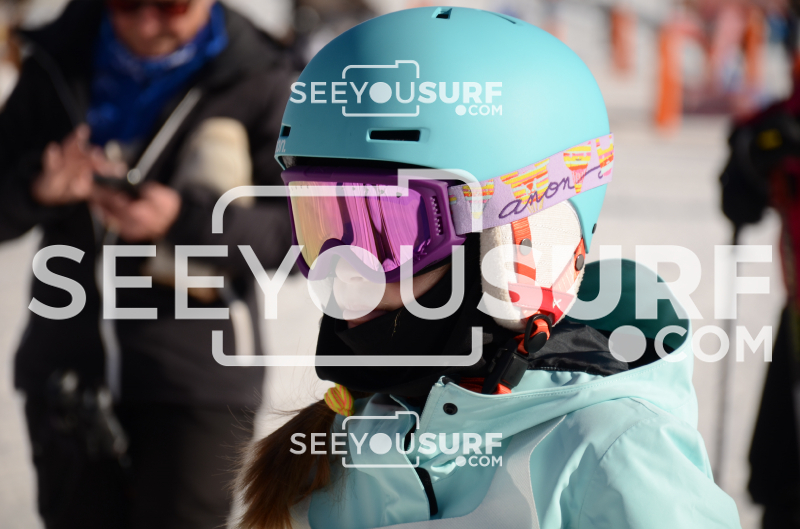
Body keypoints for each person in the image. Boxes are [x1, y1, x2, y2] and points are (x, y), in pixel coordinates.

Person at [237, 7, 741, 529]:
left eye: (383, 232)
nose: (342, 271)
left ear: (523, 242)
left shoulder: (614, 459)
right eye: (320, 224)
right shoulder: (334, 455)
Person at [0, 0, 295, 527]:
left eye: (170, 5)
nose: (146, 21)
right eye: (127, 4)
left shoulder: (265, 77)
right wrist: (38, 189)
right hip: (65, 368)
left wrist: (183, 219)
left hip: (198, 379)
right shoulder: (57, 61)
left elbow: (304, 234)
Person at [720, 2, 800, 526]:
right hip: (798, 312)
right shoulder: (785, 115)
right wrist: (748, 164)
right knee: (782, 479)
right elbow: (743, 193)